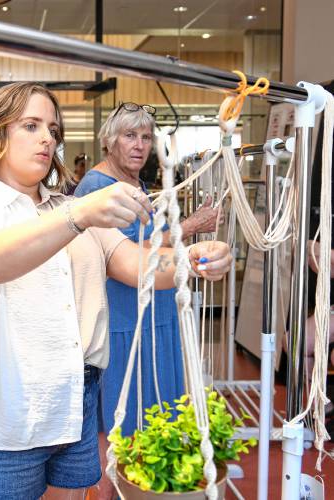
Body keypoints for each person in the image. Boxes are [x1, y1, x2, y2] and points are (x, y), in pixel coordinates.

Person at [0, 83, 232, 499]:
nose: (47, 138)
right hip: (4, 412)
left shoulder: (66, 207)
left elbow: (135, 264)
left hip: (76, 397)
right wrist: (78, 212)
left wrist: (193, 259)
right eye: (30, 125)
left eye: (53, 129)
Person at [74, 102, 222, 499]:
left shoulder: (134, 183)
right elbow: (125, 256)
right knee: (117, 423)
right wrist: (191, 227)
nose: (139, 146)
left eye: (145, 137)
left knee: (150, 418)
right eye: (129, 136)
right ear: (108, 141)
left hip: (154, 311)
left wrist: (188, 232)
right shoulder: (95, 188)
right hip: (123, 319)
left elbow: (151, 242)